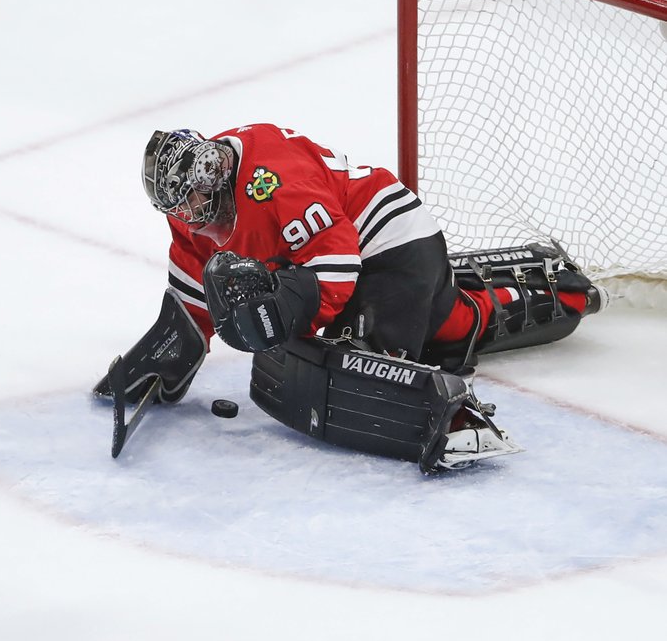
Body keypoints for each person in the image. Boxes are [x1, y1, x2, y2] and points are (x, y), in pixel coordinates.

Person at [96, 124, 607, 471]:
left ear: (217, 176)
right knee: (433, 333)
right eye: (177, 207)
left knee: (370, 367)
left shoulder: (273, 180)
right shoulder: (187, 200)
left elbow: (337, 260)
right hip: (337, 260)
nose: (190, 215)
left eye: (196, 201)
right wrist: (177, 342)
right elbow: (195, 275)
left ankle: (558, 298)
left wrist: (288, 308)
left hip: (390, 245)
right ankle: (502, 298)